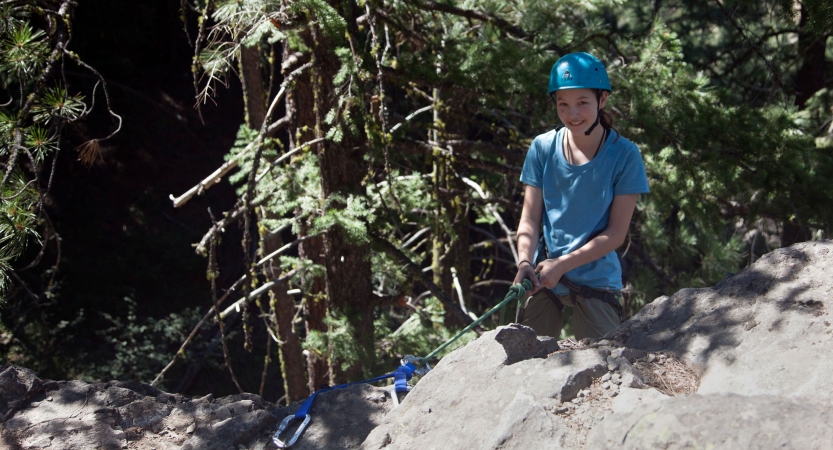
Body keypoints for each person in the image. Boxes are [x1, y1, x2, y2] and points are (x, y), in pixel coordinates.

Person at [512, 52, 649, 340]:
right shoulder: (542, 148)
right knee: (522, 358)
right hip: (542, 275)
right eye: (563, 104)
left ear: (602, 100)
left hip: (596, 279)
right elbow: (529, 220)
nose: (572, 114)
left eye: (582, 103)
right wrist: (525, 261)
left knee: (602, 362)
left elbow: (615, 234)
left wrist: (563, 265)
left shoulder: (624, 156)